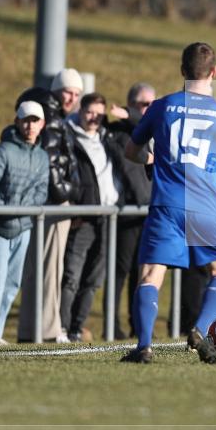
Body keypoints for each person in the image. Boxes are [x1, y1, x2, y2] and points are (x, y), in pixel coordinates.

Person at [120, 42, 216, 364]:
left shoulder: (161, 107)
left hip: (166, 205)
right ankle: (200, 329)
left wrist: (152, 159)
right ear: (214, 72)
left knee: (150, 275)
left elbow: (130, 152)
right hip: (207, 207)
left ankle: (144, 346)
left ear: (182, 71)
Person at [0, 101, 49, 343]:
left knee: (11, 286)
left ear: (42, 124)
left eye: (34, 120)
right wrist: (4, 210)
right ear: (17, 121)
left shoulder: (42, 157)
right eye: (25, 120)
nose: (29, 125)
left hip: (23, 229)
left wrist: (21, 211)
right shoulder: (2, 150)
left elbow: (41, 191)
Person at [16, 68, 83, 343]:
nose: (72, 98)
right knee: (49, 269)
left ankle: (34, 329)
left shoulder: (53, 116)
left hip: (48, 202)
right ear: (57, 91)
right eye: (68, 91)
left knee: (41, 269)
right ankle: (47, 329)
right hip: (54, 204)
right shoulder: (53, 118)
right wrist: (71, 193)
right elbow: (54, 167)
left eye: (76, 94)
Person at [61, 92, 123, 342]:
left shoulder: (107, 138)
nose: (94, 118)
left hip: (108, 218)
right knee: (71, 276)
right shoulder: (69, 137)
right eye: (90, 112)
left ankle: (77, 327)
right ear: (80, 110)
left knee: (94, 279)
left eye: (99, 113)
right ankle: (62, 328)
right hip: (83, 216)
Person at [106, 82, 155, 339]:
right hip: (126, 214)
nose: (147, 109)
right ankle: (112, 327)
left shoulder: (154, 132)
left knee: (143, 273)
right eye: (141, 104)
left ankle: (139, 326)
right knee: (120, 272)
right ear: (129, 107)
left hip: (150, 213)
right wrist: (130, 118)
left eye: (151, 104)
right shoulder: (117, 132)